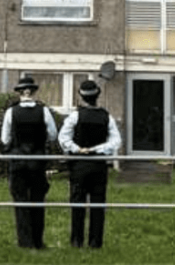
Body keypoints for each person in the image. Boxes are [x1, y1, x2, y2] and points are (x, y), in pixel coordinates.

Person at [58, 78, 122, 249]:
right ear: (97, 96)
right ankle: (95, 243)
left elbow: (63, 138)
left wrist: (78, 149)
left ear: (81, 97)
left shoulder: (75, 116)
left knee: (77, 204)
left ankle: (76, 241)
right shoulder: (106, 116)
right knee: (98, 205)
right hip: (99, 165)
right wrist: (98, 149)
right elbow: (116, 141)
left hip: (79, 164)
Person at [0, 73, 58, 249]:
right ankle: (38, 242)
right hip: (37, 161)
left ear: (19, 92)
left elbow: (4, 139)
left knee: (20, 201)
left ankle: (24, 242)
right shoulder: (44, 110)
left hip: (18, 162)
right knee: (37, 201)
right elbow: (53, 135)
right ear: (33, 92)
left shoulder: (11, 111)